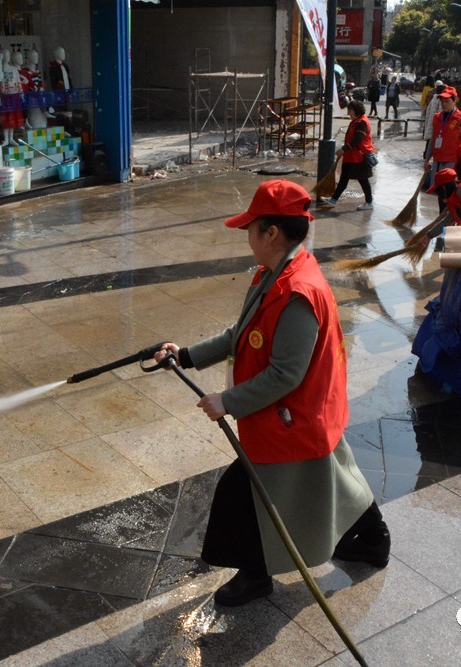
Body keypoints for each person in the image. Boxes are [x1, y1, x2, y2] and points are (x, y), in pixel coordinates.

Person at [155, 179, 388, 607]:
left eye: (250, 227)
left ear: (272, 233)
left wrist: (227, 402)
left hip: (294, 417)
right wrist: (186, 355)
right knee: (334, 475)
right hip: (305, 413)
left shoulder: (299, 292)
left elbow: (285, 375)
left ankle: (256, 575)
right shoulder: (274, 275)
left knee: (244, 495)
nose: (246, 236)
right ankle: (373, 538)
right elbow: (240, 333)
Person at [320, 99, 375, 211]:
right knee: (344, 179)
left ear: (355, 110)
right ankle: (333, 200)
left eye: (349, 110)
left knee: (363, 180)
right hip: (351, 157)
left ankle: (369, 202)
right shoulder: (356, 121)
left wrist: (344, 149)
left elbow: (358, 139)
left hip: (358, 157)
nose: (348, 112)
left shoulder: (362, 122)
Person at [424, 87, 461, 209]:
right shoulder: (437, 117)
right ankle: (441, 217)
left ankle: (449, 218)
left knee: (451, 193)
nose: (444, 104)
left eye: (447, 101)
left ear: (455, 101)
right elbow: (433, 139)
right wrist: (427, 159)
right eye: (442, 101)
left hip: (452, 162)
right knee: (439, 191)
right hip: (437, 160)